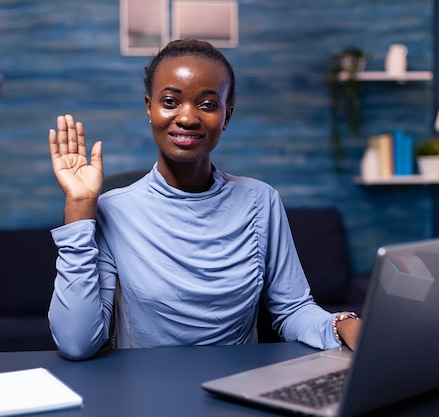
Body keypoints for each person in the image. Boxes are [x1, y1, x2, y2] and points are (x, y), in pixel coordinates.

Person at [48, 39, 360, 360]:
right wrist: (79, 206)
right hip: (147, 392)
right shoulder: (113, 210)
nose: (186, 118)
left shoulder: (261, 201)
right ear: (149, 108)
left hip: (239, 389)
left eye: (208, 104)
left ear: (227, 115)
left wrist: (341, 325)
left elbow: (292, 309)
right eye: (170, 101)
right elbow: (77, 343)